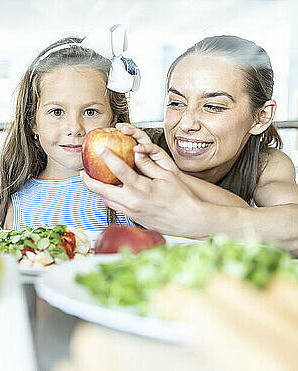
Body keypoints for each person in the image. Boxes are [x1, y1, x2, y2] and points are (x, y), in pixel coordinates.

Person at [81, 35, 298, 255]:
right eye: (176, 103)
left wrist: (196, 218)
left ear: (261, 117)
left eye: (213, 106)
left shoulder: (267, 165)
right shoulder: (134, 150)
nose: (186, 123)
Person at [0, 25, 140, 231]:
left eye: (90, 112)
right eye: (57, 112)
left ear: (114, 119)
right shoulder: (15, 207)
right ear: (32, 121)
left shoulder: (135, 193)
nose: (74, 128)